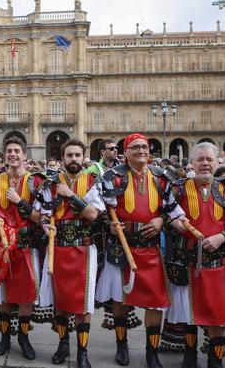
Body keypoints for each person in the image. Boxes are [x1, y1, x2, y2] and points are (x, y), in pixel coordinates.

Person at [96, 133, 185, 368]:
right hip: (121, 249)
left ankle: (151, 352)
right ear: (125, 152)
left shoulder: (162, 177)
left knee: (155, 302)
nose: (141, 151)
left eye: (144, 147)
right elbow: (98, 208)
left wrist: (161, 220)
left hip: (150, 247)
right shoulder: (110, 177)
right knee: (120, 300)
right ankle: (122, 346)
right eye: (135, 147)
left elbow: (173, 209)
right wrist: (110, 225)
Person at [165, 142, 225, 368]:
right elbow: (166, 218)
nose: (205, 164)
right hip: (186, 259)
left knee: (218, 312)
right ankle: (189, 356)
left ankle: (214, 360)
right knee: (189, 311)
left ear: (218, 162)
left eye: (209, 159)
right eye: (200, 159)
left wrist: (221, 237)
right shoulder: (177, 189)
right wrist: (174, 223)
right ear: (192, 163)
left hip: (218, 260)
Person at [38, 139, 104, 368]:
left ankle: (82, 351)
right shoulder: (50, 183)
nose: (73, 159)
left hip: (83, 248)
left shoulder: (94, 181)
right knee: (61, 301)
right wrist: (46, 224)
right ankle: (63, 343)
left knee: (84, 303)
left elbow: (93, 214)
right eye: (69, 155)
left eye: (77, 155)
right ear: (63, 158)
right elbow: (44, 213)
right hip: (58, 248)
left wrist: (69, 195)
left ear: (83, 157)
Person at [0, 137, 44, 361]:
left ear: (24, 155)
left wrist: (20, 202)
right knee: (3, 294)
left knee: (26, 294)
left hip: (26, 244)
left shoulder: (35, 181)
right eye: (9, 151)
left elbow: (41, 218)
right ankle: (4, 337)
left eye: (16, 151)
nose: (12, 154)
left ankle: (23, 337)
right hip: (2, 245)